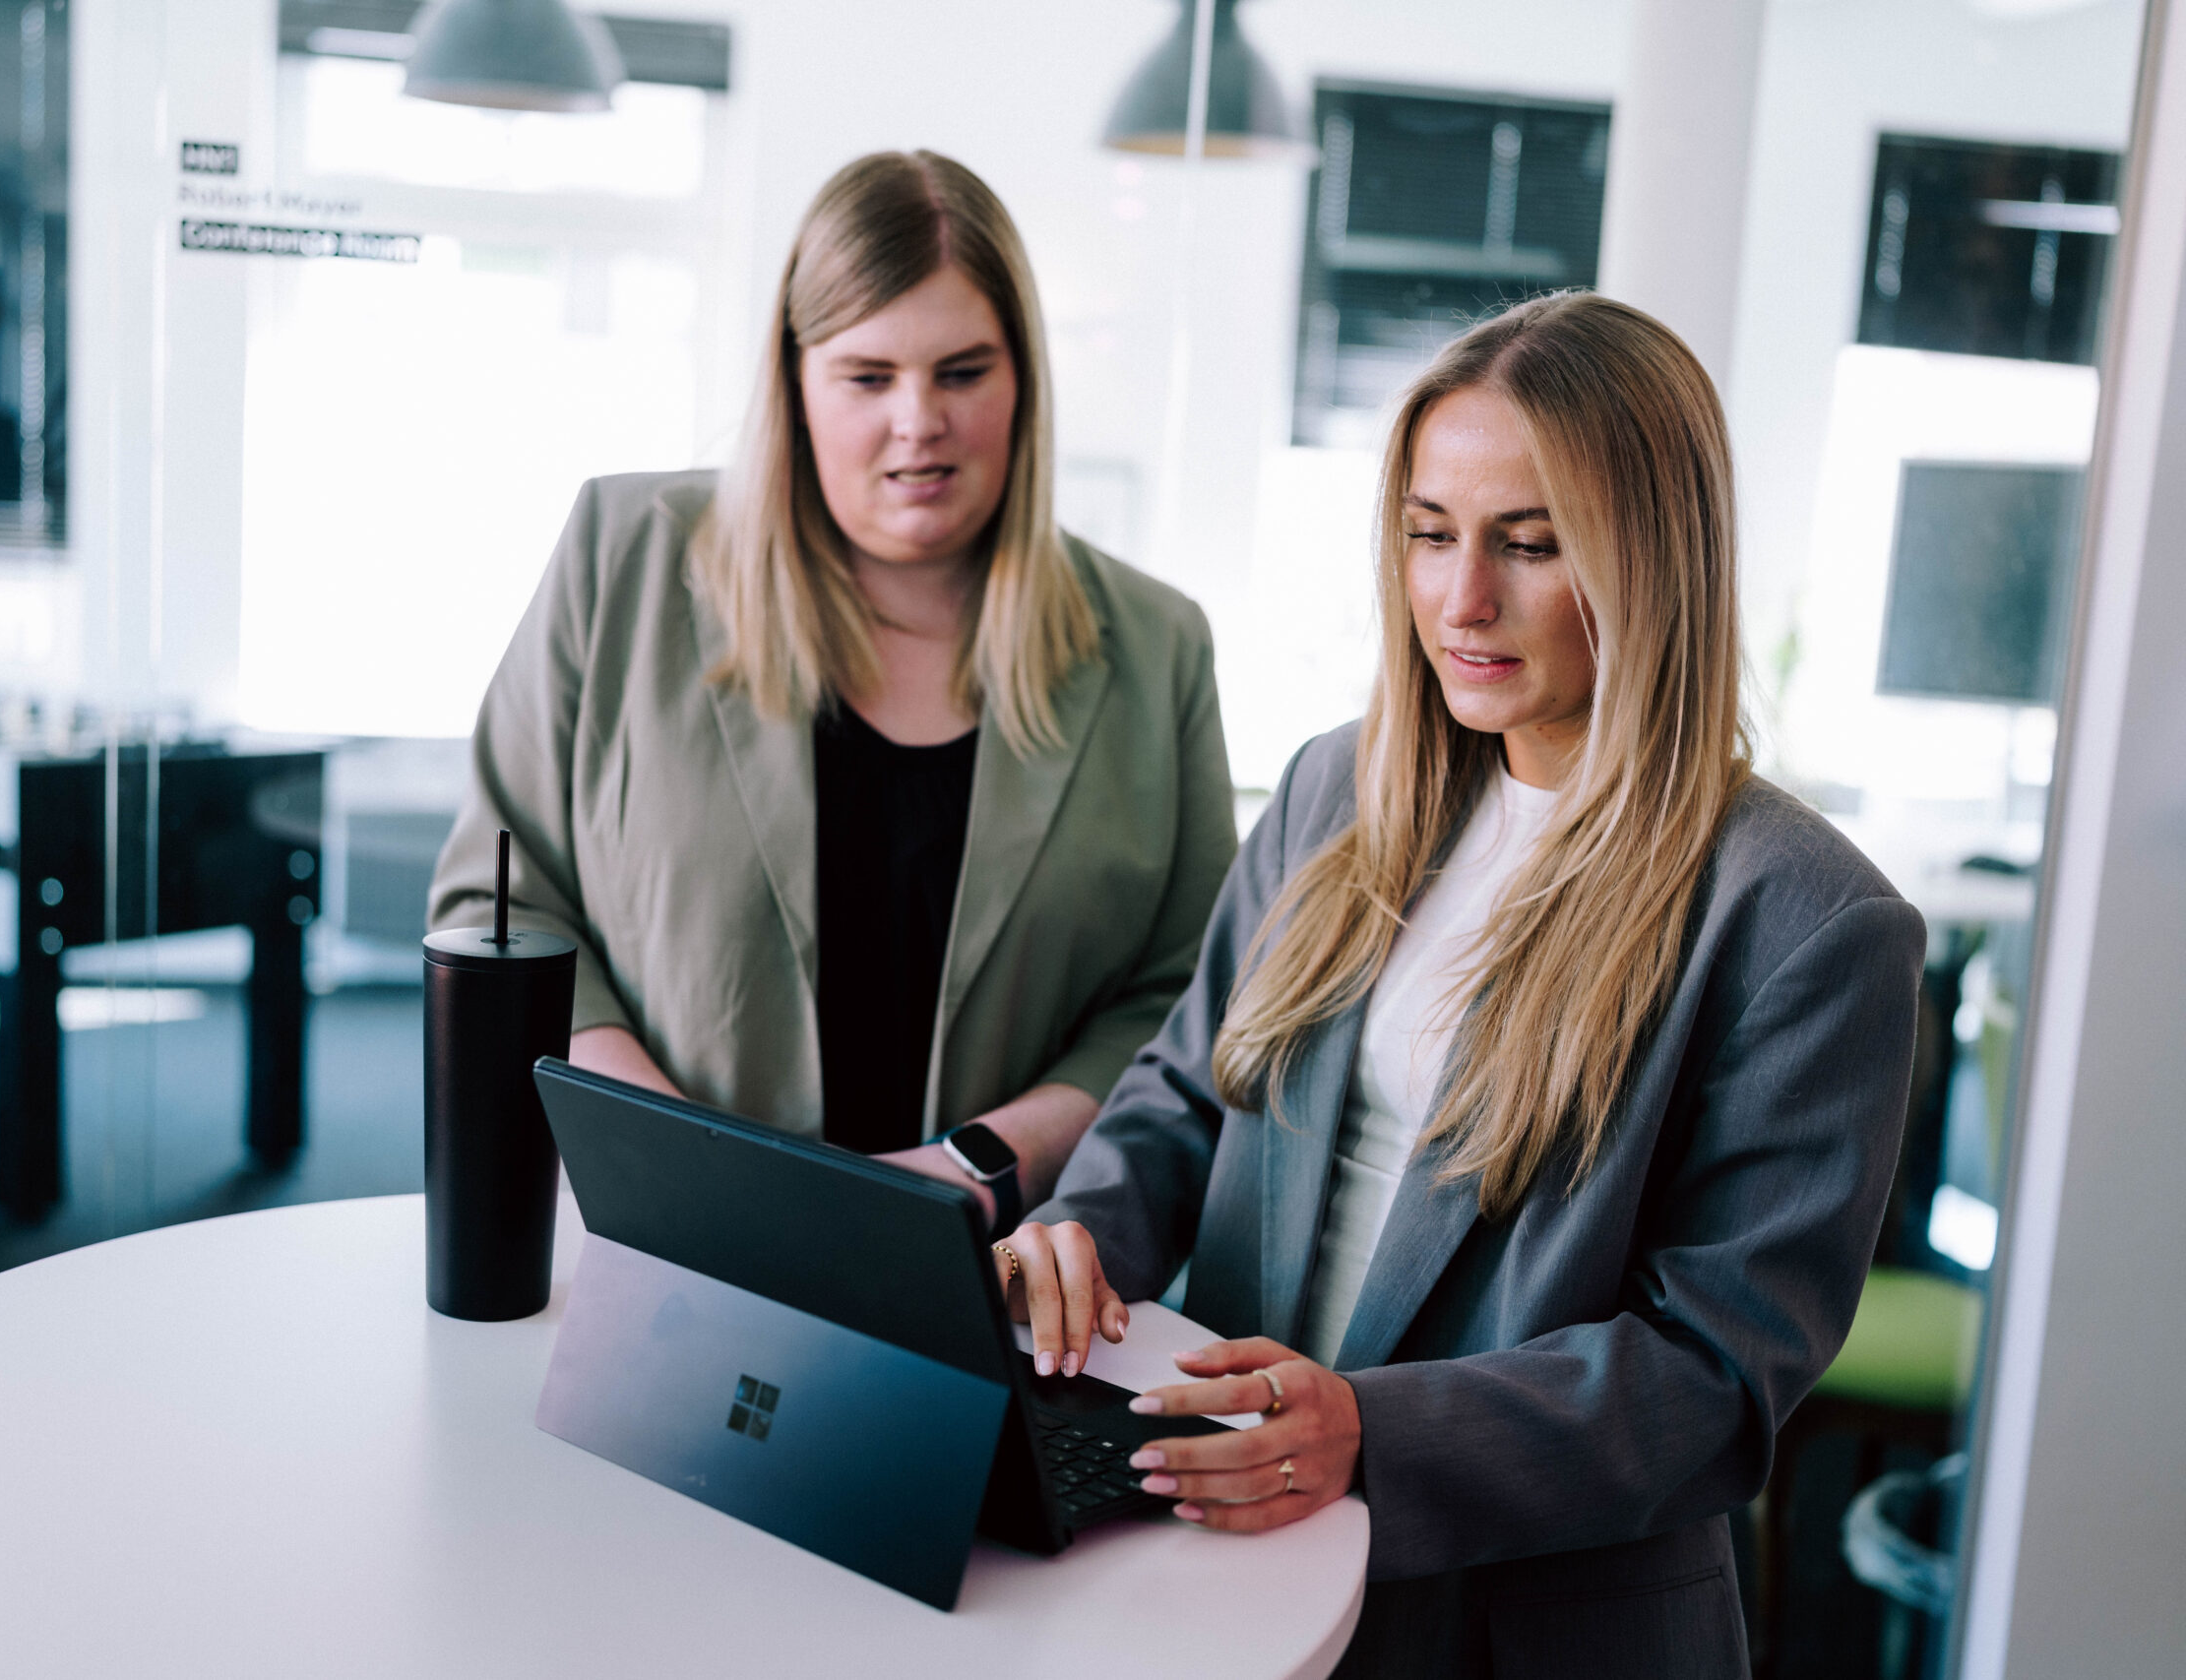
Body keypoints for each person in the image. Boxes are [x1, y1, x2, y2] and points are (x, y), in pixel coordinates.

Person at [999, 292, 1923, 1678]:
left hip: (1529, 1627)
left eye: (1530, 544)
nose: (1460, 598)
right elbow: (1190, 1089)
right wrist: (1078, 1241)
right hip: (1231, 1561)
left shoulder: (1805, 918)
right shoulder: (1334, 788)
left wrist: (1370, 1430)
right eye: (1430, 533)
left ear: (1651, 560)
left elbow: (1717, 1376)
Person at [428, 152, 1235, 1229]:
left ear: (1023, 381)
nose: (918, 423)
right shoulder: (622, 559)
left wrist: (984, 1161)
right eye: (867, 376)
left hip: (985, 1274)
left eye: (962, 372)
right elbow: (502, 908)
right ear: (795, 381)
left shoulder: (1154, 644)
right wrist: (683, 1164)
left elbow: (1187, 991)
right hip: (659, 1243)